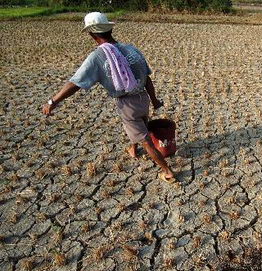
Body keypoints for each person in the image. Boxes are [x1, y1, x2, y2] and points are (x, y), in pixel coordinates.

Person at [42, 12, 175, 183]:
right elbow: (147, 77)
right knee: (139, 125)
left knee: (145, 140)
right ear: (109, 29)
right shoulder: (131, 49)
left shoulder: (97, 57)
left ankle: (167, 170)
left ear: (91, 33)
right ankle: (133, 149)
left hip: (126, 103)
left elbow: (75, 83)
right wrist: (155, 100)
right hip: (143, 98)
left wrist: (53, 101)